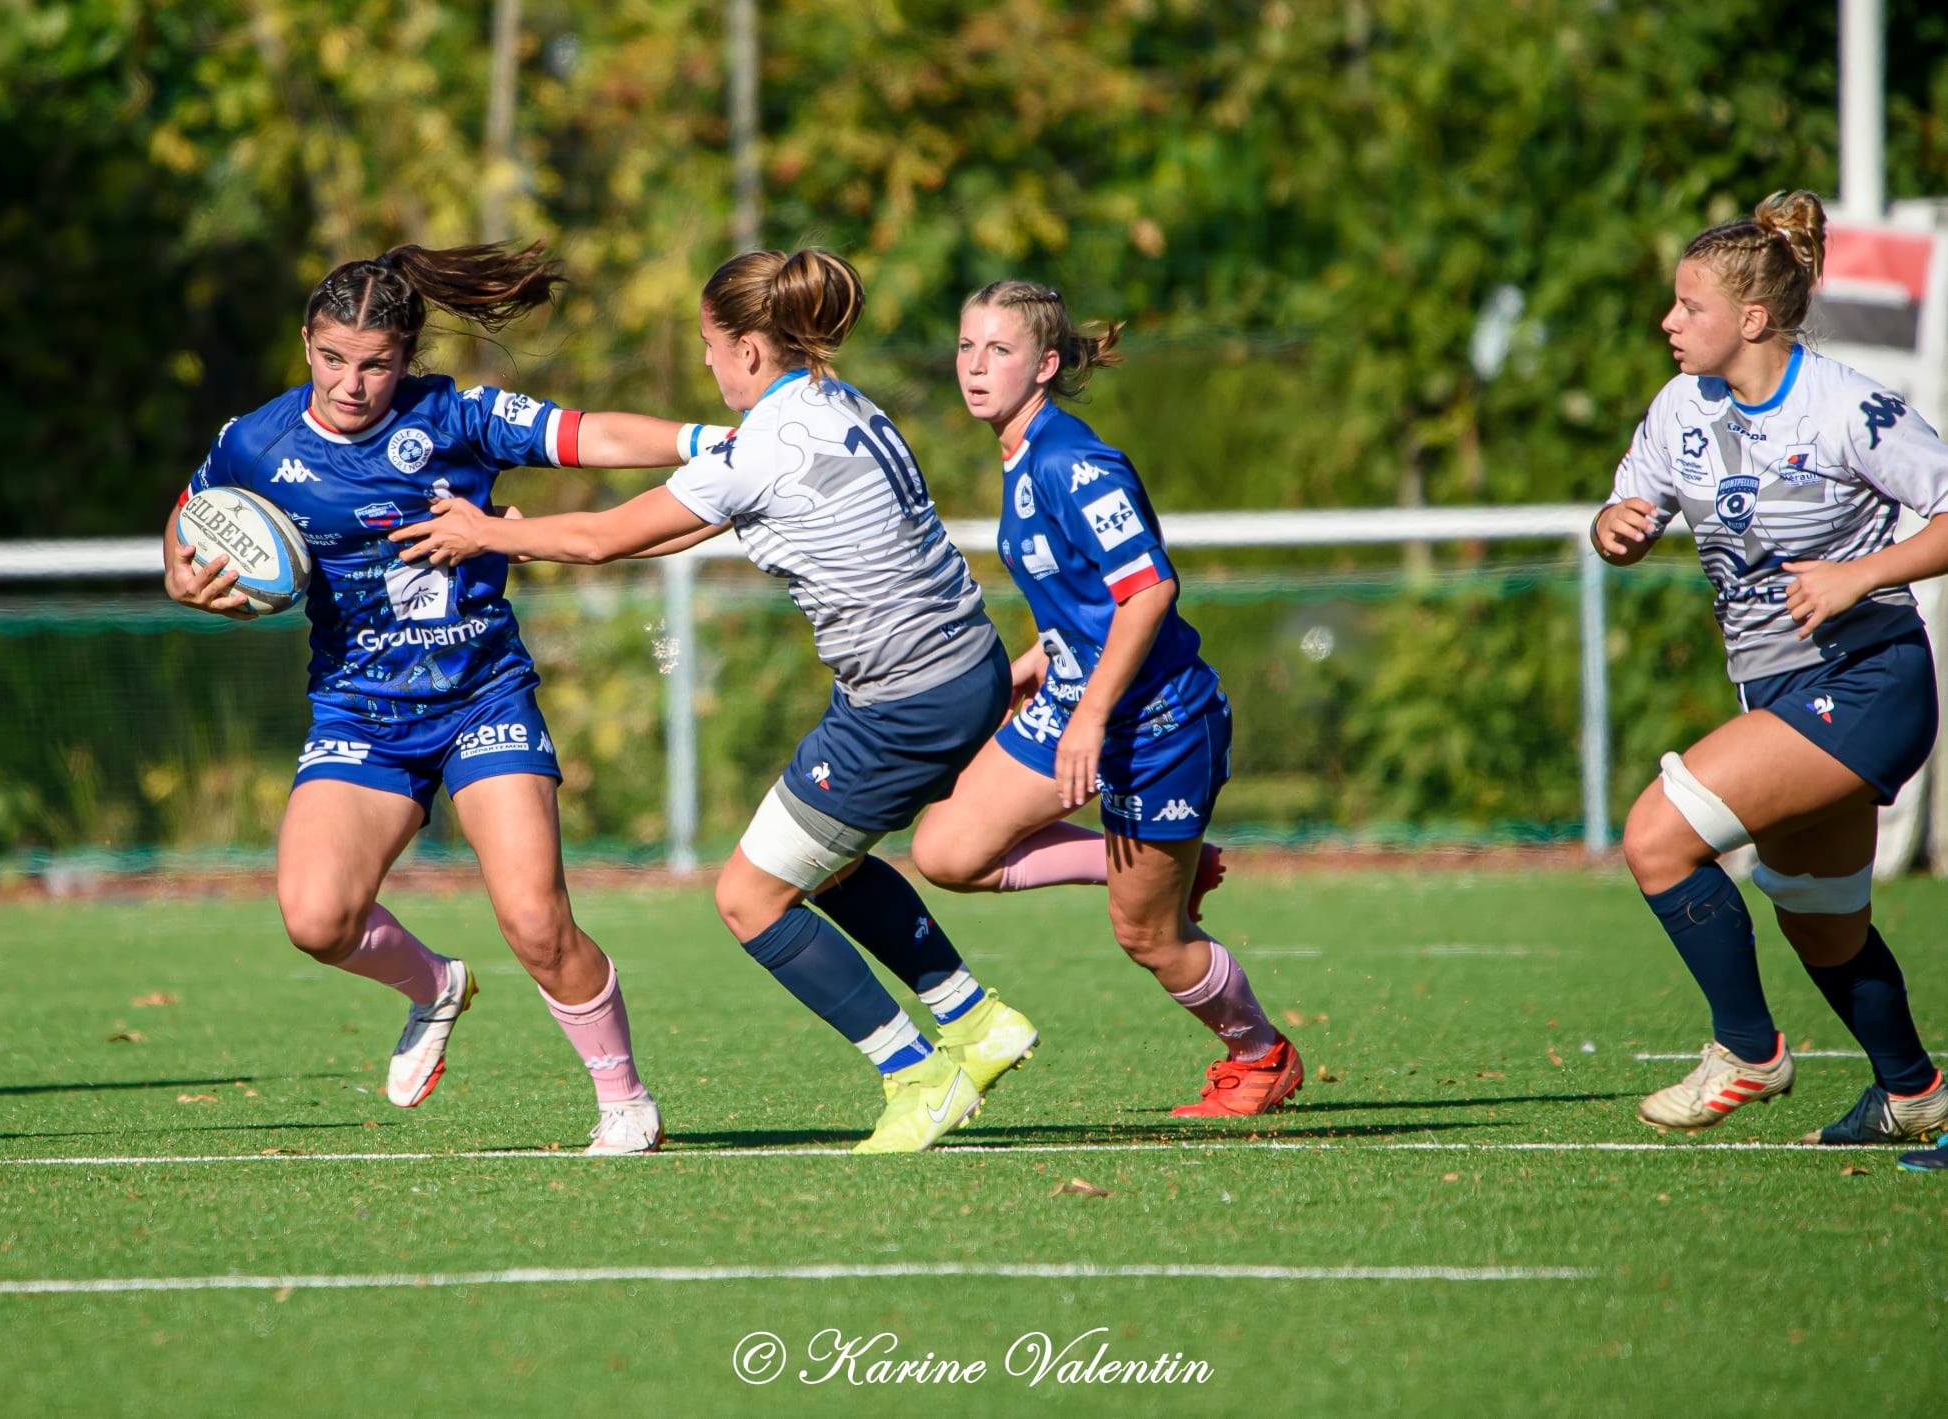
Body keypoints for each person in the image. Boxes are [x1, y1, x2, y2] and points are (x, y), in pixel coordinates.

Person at [392, 247, 1039, 1153]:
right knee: (830, 860)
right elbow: (676, 527)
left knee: (748, 896)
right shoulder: (840, 403)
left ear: (747, 350)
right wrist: (523, 533)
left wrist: (481, 533)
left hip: (904, 700)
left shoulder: (762, 448)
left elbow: (611, 534)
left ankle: (917, 1072)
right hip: (964, 663)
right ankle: (972, 1020)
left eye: (707, 344)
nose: (703, 363)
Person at [164, 240, 689, 1154]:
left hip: (482, 696)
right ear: (305, 344)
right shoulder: (257, 439)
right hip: (359, 712)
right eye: (331, 359)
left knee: (534, 918)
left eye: (374, 365)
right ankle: (434, 986)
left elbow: (588, 434)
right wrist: (184, 576)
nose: (350, 385)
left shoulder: (456, 416)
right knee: (315, 918)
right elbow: (190, 516)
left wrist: (707, 442)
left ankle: (624, 1099)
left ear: (407, 358)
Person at [1598, 190, 1948, 1144]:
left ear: (1751, 320)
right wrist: (1614, 530)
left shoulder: (1845, 406)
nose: (1669, 321)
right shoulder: (1680, 408)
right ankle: (1913, 1090)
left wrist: (1859, 576)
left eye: (1689, 306)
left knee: (1657, 836)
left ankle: (1747, 1051)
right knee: (1820, 923)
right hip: (1779, 688)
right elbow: (1622, 511)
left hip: (1871, 680)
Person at [908, 281, 1302, 1118]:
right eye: (966, 348)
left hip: (1157, 726)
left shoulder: (1069, 460)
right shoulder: (1021, 453)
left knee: (1148, 936)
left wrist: (1086, 713)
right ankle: (1164, 868)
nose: (975, 368)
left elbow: (1148, 590)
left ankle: (1260, 1053)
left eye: (999, 351)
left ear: (1045, 365)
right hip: (1073, 704)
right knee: (945, 850)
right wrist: (1034, 667)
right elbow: (1086, 602)